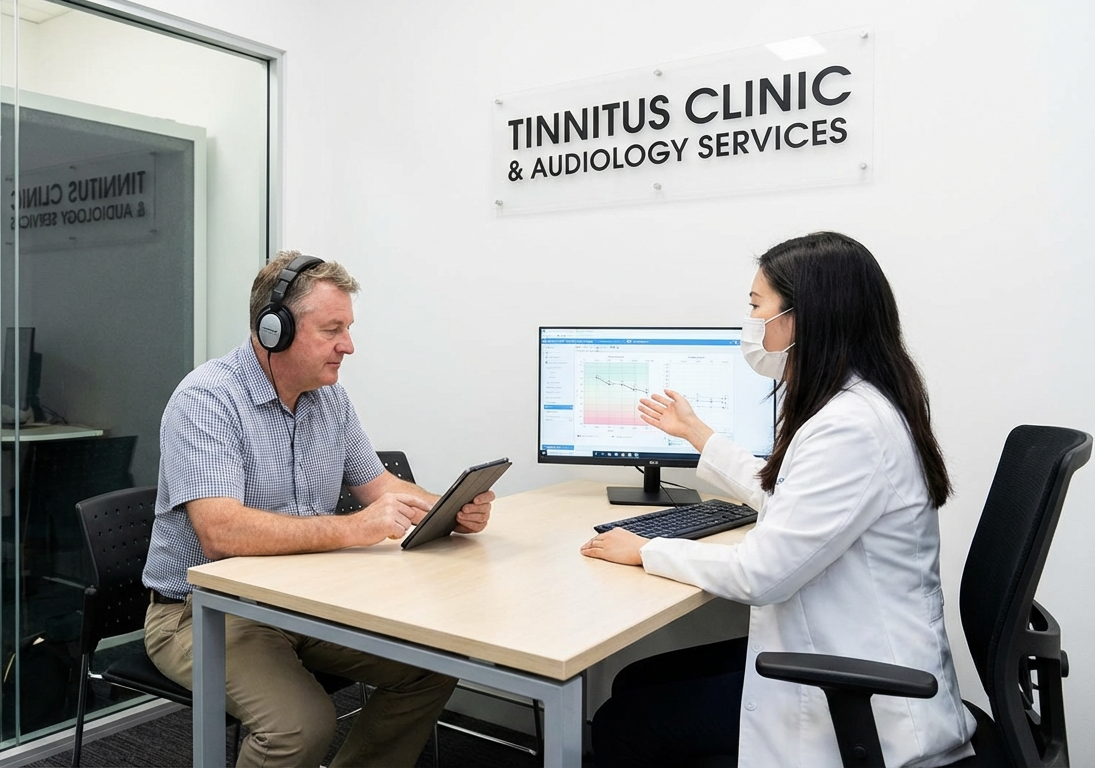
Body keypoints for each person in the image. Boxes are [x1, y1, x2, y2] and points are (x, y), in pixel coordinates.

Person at [581, 232, 976, 768]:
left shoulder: (850, 427)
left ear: (802, 317)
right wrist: (699, 434)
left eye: (755, 305)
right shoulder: (858, 405)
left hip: (857, 696)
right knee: (635, 677)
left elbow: (759, 575)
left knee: (622, 723)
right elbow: (786, 492)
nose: (749, 321)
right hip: (841, 649)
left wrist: (648, 549)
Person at [141, 250, 495, 768]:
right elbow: (221, 533)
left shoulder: (329, 398)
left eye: (347, 329)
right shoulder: (207, 400)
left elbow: (379, 485)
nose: (348, 346)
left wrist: (451, 506)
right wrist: (356, 529)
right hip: (202, 614)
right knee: (300, 725)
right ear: (274, 330)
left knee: (431, 666)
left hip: (301, 605)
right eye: (333, 329)